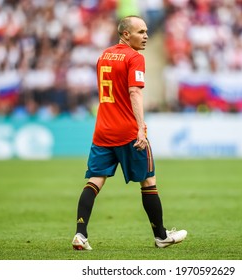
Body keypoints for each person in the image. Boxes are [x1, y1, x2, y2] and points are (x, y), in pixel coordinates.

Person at [72, 15, 187, 250]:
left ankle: (80, 234)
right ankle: (161, 236)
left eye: (146, 32)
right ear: (126, 34)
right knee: (148, 180)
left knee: (95, 180)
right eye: (141, 32)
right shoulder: (135, 58)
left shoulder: (104, 55)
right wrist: (141, 129)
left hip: (103, 130)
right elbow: (134, 92)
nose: (146, 36)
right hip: (127, 131)